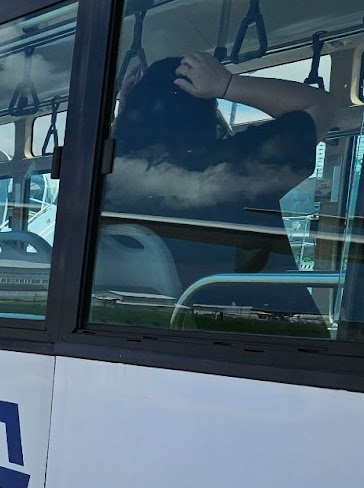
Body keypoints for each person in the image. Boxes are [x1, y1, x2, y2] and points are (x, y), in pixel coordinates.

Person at [102, 51, 335, 314]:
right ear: (210, 111)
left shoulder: (111, 180)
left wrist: (126, 113)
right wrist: (228, 85)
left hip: (142, 322)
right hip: (264, 323)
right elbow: (320, 105)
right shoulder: (236, 165)